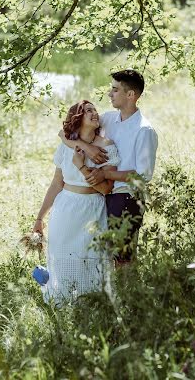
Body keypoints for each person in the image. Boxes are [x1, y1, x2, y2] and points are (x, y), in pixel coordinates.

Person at [62, 70, 158, 264]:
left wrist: (106, 174)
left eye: (115, 90)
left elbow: (142, 175)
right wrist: (87, 148)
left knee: (123, 260)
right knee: (104, 258)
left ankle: (129, 294)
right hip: (103, 196)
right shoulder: (108, 118)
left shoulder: (144, 130)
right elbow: (64, 133)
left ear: (130, 95)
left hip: (126, 198)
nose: (109, 94)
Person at [33, 100, 119, 305]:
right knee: (62, 257)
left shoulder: (106, 147)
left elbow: (107, 189)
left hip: (92, 209)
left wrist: (81, 167)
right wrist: (39, 218)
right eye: (88, 110)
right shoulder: (66, 147)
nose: (94, 113)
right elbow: (56, 184)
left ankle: (91, 303)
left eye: (95, 110)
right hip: (65, 209)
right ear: (78, 118)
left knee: (91, 257)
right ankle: (61, 301)